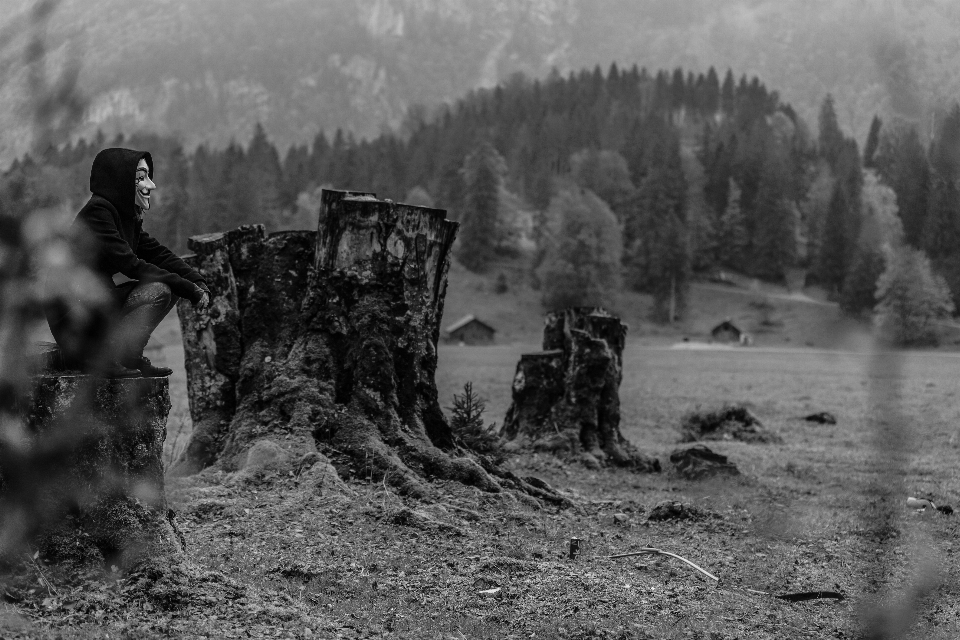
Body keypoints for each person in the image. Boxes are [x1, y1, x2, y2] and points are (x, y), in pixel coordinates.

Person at [46, 148, 211, 377]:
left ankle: (128, 356)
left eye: (148, 177)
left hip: (96, 305)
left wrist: (195, 279)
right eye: (141, 178)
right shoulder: (98, 212)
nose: (151, 185)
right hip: (75, 319)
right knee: (160, 289)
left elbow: (158, 253)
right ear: (121, 181)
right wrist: (189, 289)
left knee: (170, 287)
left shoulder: (125, 216)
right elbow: (131, 265)